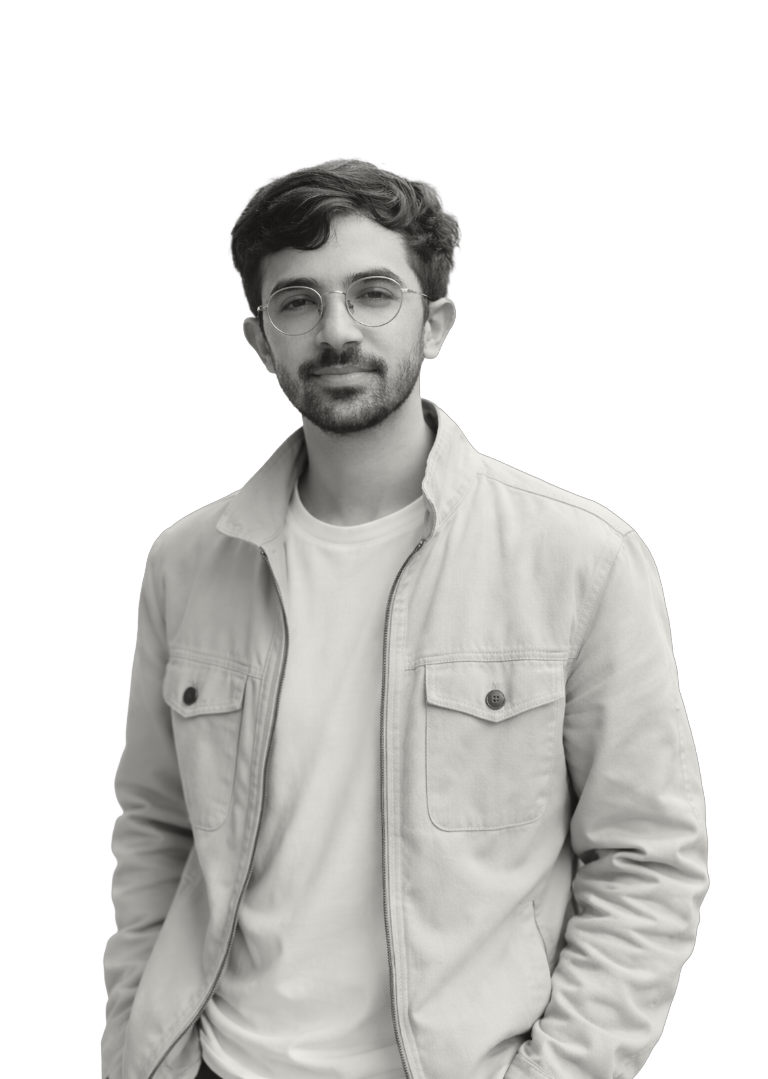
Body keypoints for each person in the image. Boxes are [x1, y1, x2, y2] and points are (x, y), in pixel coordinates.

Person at [102, 159, 708, 1079]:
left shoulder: (581, 559)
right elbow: (157, 830)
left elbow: (649, 859)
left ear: (435, 322)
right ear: (261, 340)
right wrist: (135, 1044)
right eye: (298, 302)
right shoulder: (188, 564)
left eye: (374, 293)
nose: (337, 330)